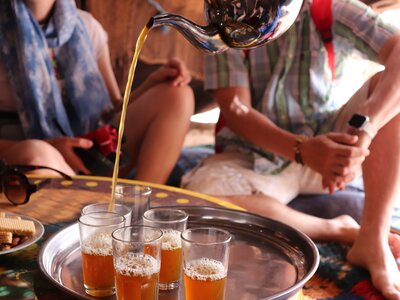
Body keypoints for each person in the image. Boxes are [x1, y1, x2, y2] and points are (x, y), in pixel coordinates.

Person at [182, 0, 400, 298]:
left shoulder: (332, 10)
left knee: (392, 95)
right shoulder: (227, 16)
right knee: (198, 207)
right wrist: (303, 150)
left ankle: (372, 238)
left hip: (333, 151)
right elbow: (236, 109)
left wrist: (364, 130)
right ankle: (339, 229)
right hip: (256, 155)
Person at [0, 0, 194, 183]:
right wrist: (52, 146)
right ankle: (77, 212)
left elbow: (111, 110)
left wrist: (152, 83)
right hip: (36, 162)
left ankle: (140, 207)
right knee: (38, 154)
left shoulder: (86, 26)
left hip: (93, 153)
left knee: (177, 95)